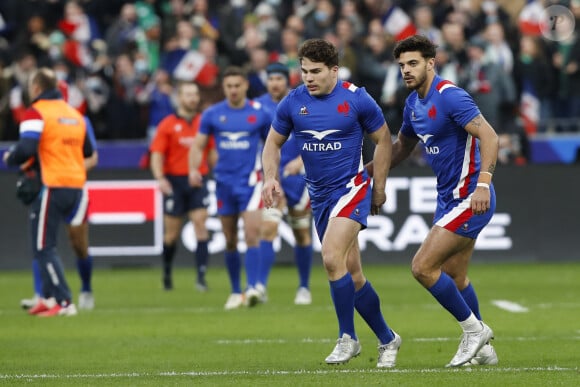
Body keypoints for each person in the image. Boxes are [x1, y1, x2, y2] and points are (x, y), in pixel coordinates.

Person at [261, 38, 402, 368]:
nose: (308, 78)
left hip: (352, 190)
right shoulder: (293, 103)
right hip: (320, 196)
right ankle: (388, 338)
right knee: (352, 275)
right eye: (304, 71)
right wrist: (270, 177)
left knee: (329, 257)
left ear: (334, 70)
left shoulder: (357, 99)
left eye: (316, 71)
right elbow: (272, 144)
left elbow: (384, 139)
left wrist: (379, 185)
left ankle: (347, 338)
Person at [367, 35, 499, 367]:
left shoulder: (450, 97)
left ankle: (473, 330)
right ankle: (483, 348)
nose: (406, 71)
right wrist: (364, 173)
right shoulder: (413, 104)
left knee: (422, 267)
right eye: (401, 66)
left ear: (430, 63)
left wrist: (484, 184)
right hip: (448, 199)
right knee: (456, 276)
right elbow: (401, 149)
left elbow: (490, 135)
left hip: (470, 196)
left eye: (412, 63)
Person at [3, 68, 95, 317]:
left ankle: (65, 302)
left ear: (36, 88)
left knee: (43, 247)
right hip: (76, 186)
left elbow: (27, 147)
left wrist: (11, 157)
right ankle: (48, 298)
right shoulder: (75, 114)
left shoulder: (37, 112)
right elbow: (86, 151)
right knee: (50, 244)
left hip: (52, 185)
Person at [189, 66, 271, 310]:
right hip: (224, 183)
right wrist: (194, 169)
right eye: (229, 86)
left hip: (251, 183)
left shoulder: (261, 114)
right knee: (230, 239)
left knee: (252, 234)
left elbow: (272, 146)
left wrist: (271, 177)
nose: (233, 90)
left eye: (237, 85)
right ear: (224, 88)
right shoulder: (213, 114)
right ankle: (236, 291)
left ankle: (254, 287)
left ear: (245, 85)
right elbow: (198, 146)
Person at [254, 62, 313, 305]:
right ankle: (260, 287)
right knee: (268, 228)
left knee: (301, 233)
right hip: (273, 177)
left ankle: (303, 287)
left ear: (286, 80)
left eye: (279, 78)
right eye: (271, 79)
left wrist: (301, 159)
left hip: (298, 178)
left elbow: (312, 135)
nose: (275, 83)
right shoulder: (257, 107)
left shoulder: (300, 102)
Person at [149, 80, 216, 292]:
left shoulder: (204, 123)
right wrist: (160, 178)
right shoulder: (167, 124)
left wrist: (215, 172)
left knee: (200, 225)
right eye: (188, 94)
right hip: (175, 181)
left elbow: (212, 152)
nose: (193, 98)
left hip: (198, 180)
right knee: (171, 234)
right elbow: (157, 154)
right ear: (179, 98)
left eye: (195, 94)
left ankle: (201, 277)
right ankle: (167, 273)